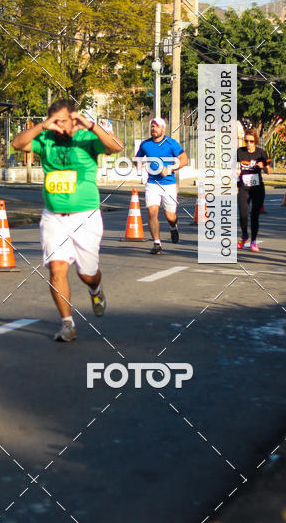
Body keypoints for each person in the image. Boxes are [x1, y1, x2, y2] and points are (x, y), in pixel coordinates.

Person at [11, 99, 123, 342]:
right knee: (56, 269)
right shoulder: (46, 139)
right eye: (55, 121)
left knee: (87, 273)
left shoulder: (87, 139)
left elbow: (116, 147)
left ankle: (95, 289)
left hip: (86, 216)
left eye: (63, 120)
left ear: (74, 118)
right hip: (53, 216)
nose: (59, 126)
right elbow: (17, 144)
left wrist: (91, 126)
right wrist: (44, 125)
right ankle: (67, 325)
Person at [136, 117, 188, 254]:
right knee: (152, 212)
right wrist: (138, 163)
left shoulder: (171, 143)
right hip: (152, 183)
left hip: (168, 184)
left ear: (163, 129)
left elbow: (184, 160)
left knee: (170, 216)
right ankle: (157, 244)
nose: (154, 129)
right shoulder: (145, 144)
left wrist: (169, 169)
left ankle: (173, 227)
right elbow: (138, 158)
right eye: (152, 126)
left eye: (157, 126)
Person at [237, 129, 270, 251]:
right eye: (246, 141)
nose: (248, 144)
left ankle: (254, 241)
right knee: (243, 214)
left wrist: (264, 166)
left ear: (255, 141)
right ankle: (244, 234)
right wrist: (236, 172)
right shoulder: (240, 152)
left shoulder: (261, 153)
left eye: (251, 141)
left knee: (254, 215)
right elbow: (233, 167)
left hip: (257, 188)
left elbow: (268, 171)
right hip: (243, 187)